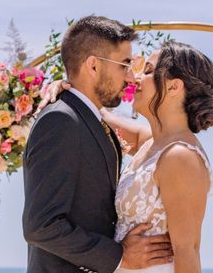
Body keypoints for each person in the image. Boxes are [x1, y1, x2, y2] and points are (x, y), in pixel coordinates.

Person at [42, 40, 213, 273]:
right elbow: (97, 115)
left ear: (175, 86)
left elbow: (188, 251)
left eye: (148, 71)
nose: (136, 78)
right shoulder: (151, 143)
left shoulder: (180, 157)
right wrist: (69, 90)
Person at [22, 16, 174, 273]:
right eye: (124, 65)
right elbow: (41, 226)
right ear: (93, 66)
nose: (130, 77)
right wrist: (119, 257)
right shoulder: (61, 120)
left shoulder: (87, 117)